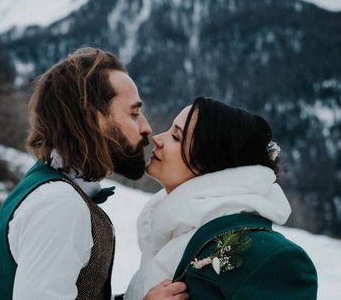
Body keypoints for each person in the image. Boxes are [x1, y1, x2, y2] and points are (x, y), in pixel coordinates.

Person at [0, 48, 188, 300]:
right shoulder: (59, 205)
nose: (147, 129)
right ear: (93, 119)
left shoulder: (53, 189)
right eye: (133, 113)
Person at [125, 96, 318, 300]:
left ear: (210, 163)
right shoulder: (173, 233)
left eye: (176, 137)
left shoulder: (270, 258)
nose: (157, 138)